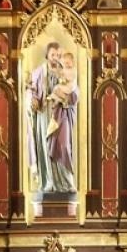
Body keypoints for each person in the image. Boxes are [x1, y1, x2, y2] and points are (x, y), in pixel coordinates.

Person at [25, 41, 78, 194]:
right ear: (47, 55)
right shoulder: (37, 73)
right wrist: (32, 100)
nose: (55, 58)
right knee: (44, 147)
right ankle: (47, 181)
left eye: (58, 55)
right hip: (44, 115)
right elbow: (30, 91)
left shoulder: (65, 71)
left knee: (63, 146)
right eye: (52, 54)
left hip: (61, 115)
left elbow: (75, 93)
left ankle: (66, 182)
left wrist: (66, 98)